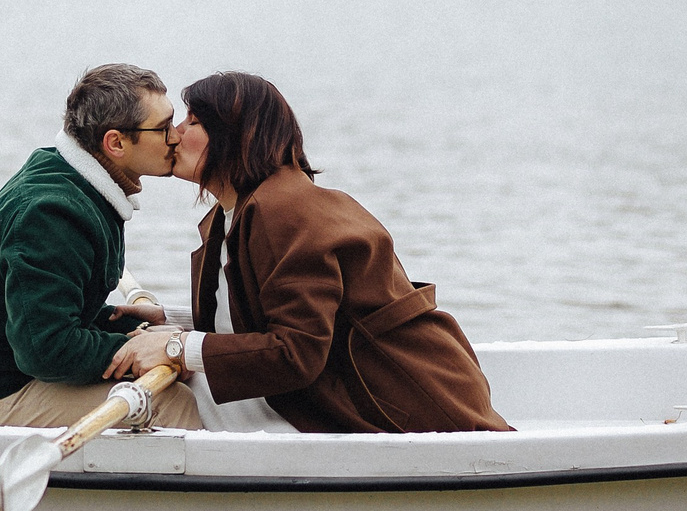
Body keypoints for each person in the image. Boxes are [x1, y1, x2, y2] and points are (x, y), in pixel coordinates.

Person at [122, 70, 509, 435]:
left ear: (235, 135)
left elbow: (297, 351)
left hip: (403, 408)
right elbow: (264, 312)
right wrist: (171, 318)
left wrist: (175, 347)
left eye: (192, 122)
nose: (173, 135)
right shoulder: (241, 211)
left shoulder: (284, 212)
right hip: (349, 395)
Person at [0, 64, 205, 429]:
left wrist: (127, 332)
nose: (176, 137)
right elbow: (45, 349)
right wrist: (138, 352)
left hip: (1, 371)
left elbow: (49, 314)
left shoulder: (77, 182)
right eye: (163, 127)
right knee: (171, 403)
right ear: (116, 143)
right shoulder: (52, 213)